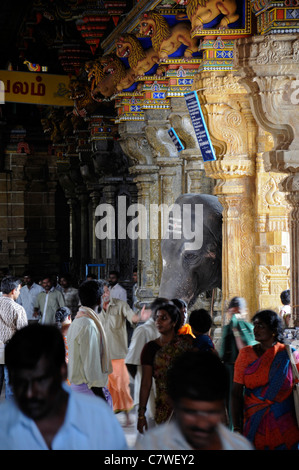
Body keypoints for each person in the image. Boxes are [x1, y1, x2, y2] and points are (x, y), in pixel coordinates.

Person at [0, 323, 128, 450]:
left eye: (40, 381)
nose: (30, 393)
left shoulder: (98, 418)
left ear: (63, 372)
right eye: (20, 382)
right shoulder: (3, 423)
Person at [135, 350, 253, 450]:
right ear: (173, 403)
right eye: (191, 412)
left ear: (222, 407)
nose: (201, 423)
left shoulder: (239, 446)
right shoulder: (152, 445)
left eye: (211, 412)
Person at [232, 309, 299, 450]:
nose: (255, 329)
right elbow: (236, 393)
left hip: (285, 425)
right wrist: (237, 427)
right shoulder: (245, 354)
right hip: (254, 425)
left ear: (273, 330)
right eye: (255, 325)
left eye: (261, 326)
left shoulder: (288, 355)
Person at [137, 302, 193, 433]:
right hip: (162, 406)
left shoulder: (186, 345)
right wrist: (141, 414)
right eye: (157, 317)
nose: (158, 321)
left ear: (174, 322)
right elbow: (146, 383)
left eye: (164, 318)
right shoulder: (150, 348)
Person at [99, 283, 150, 424]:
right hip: (101, 355)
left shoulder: (120, 305)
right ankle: (108, 417)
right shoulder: (95, 309)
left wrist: (139, 317)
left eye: (107, 290)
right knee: (105, 387)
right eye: (103, 292)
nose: (106, 294)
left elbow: (131, 317)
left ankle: (127, 417)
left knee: (121, 386)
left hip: (118, 354)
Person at [67, 280, 112, 407]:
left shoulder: (78, 320)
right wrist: (101, 399)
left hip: (80, 389)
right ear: (100, 300)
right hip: (89, 392)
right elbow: (91, 367)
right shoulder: (88, 325)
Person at [125, 298, 168, 429]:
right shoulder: (143, 331)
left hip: (163, 392)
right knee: (148, 428)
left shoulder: (167, 332)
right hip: (147, 391)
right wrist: (141, 379)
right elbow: (131, 362)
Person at [219, 296, 256, 429]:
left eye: (238, 312)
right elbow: (222, 352)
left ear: (244, 312)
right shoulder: (227, 328)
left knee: (243, 401)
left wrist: (237, 331)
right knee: (229, 402)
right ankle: (233, 430)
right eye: (232, 312)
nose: (235, 315)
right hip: (229, 370)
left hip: (244, 371)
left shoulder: (249, 328)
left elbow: (245, 350)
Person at [0, 276, 28, 399]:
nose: (19, 292)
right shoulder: (18, 309)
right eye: (19, 290)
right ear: (13, 291)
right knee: (11, 385)